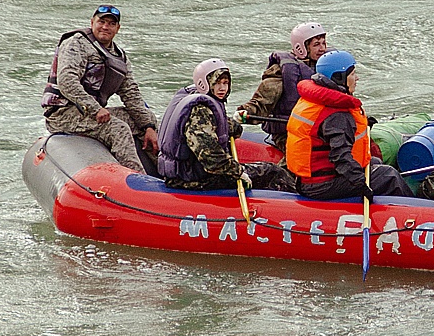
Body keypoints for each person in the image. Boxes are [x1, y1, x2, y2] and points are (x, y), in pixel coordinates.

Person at [41, 3, 158, 172]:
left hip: (90, 114)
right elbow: (67, 82)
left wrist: (148, 126)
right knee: (118, 129)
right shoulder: (76, 44)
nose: (105, 27)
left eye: (111, 23)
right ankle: (137, 180)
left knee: (146, 122)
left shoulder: (118, 56)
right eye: (101, 22)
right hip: (63, 113)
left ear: (118, 28)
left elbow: (131, 93)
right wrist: (95, 109)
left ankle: (167, 174)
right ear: (92, 22)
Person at [285, 50, 407, 201]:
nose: (357, 78)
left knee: (375, 162)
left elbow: (323, 130)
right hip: (322, 185)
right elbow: (340, 156)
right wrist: (360, 184)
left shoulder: (312, 100)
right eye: (353, 74)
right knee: (388, 176)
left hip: (308, 179)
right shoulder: (337, 114)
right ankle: (418, 210)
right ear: (339, 78)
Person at [157, 60, 295, 192]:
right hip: (193, 180)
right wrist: (238, 172)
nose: (222, 88)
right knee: (272, 172)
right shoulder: (200, 111)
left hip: (186, 173)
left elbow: (216, 124)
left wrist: (233, 126)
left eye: (226, 83)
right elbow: (210, 157)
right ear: (205, 83)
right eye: (217, 83)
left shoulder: (192, 97)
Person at [238, 21, 329, 150]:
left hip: (322, 130)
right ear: (301, 47)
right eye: (316, 45)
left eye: (324, 43)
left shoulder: (329, 66)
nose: (323, 49)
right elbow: (262, 101)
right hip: (288, 132)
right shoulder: (282, 71)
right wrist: (245, 112)